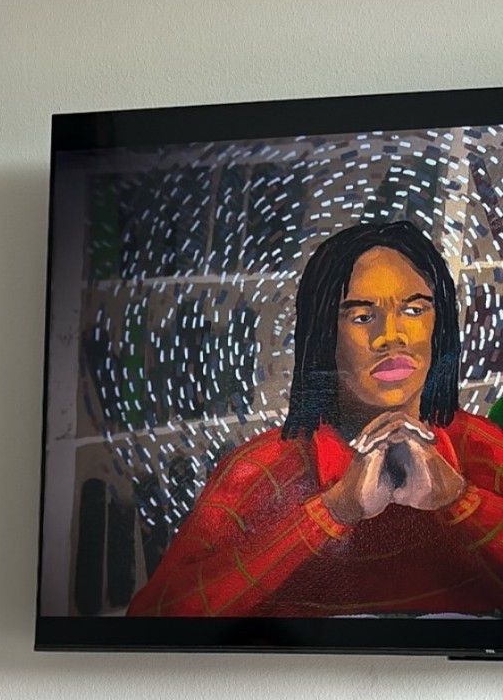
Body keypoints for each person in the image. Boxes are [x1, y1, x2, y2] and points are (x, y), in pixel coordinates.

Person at [125, 218, 503, 618]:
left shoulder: (481, 448)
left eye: (414, 310)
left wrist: (460, 499)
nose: (391, 335)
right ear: (324, 334)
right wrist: (333, 510)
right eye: (362, 317)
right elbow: (153, 619)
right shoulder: (258, 471)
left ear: (439, 324)